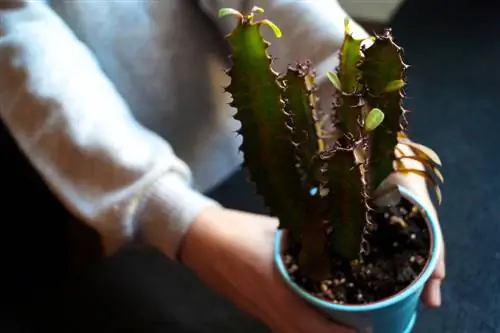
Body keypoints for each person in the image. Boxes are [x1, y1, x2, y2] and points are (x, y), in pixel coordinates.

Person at [0, 0, 445, 332]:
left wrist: (376, 126)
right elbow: (14, 28)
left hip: (224, 117)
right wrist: (174, 216)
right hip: (96, 160)